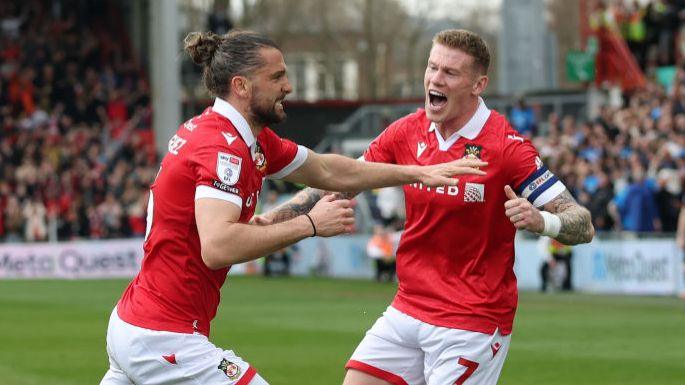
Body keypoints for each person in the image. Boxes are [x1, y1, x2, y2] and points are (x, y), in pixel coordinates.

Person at [99, 30, 486, 385]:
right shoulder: (223, 148)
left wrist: (419, 173)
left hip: (136, 325)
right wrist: (310, 225)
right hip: (163, 337)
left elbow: (330, 171)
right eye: (277, 77)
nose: (289, 86)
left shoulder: (247, 139)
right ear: (242, 86)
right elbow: (217, 248)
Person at [257, 29, 595, 385]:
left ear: (478, 85)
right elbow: (342, 181)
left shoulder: (507, 147)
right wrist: (269, 222)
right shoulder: (406, 132)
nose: (435, 78)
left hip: (471, 320)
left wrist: (541, 221)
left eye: (450, 72)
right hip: (409, 306)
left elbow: (582, 224)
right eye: (432, 67)